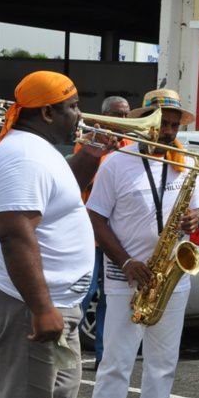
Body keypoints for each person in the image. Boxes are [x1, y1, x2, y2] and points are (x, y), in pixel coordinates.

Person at [0, 71, 113, 398]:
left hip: (55, 301)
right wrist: (41, 308)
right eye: (72, 106)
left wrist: (90, 155)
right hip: (27, 303)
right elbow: (15, 234)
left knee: (58, 393)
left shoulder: (38, 149)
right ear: (47, 112)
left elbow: (56, 193)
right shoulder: (23, 156)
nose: (79, 115)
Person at [78, 89, 199, 398]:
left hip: (170, 276)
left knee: (162, 365)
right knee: (116, 365)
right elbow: (96, 217)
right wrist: (126, 260)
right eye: (161, 123)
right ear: (145, 122)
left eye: (172, 124)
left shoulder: (183, 162)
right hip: (126, 275)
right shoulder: (118, 162)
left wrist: (195, 218)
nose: (168, 130)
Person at [77, 95, 132, 369]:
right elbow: (84, 181)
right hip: (90, 237)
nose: (122, 120)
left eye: (125, 115)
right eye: (116, 115)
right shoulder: (90, 142)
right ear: (103, 117)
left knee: (110, 302)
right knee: (84, 296)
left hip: (116, 238)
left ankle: (103, 358)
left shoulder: (134, 146)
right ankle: (68, 357)